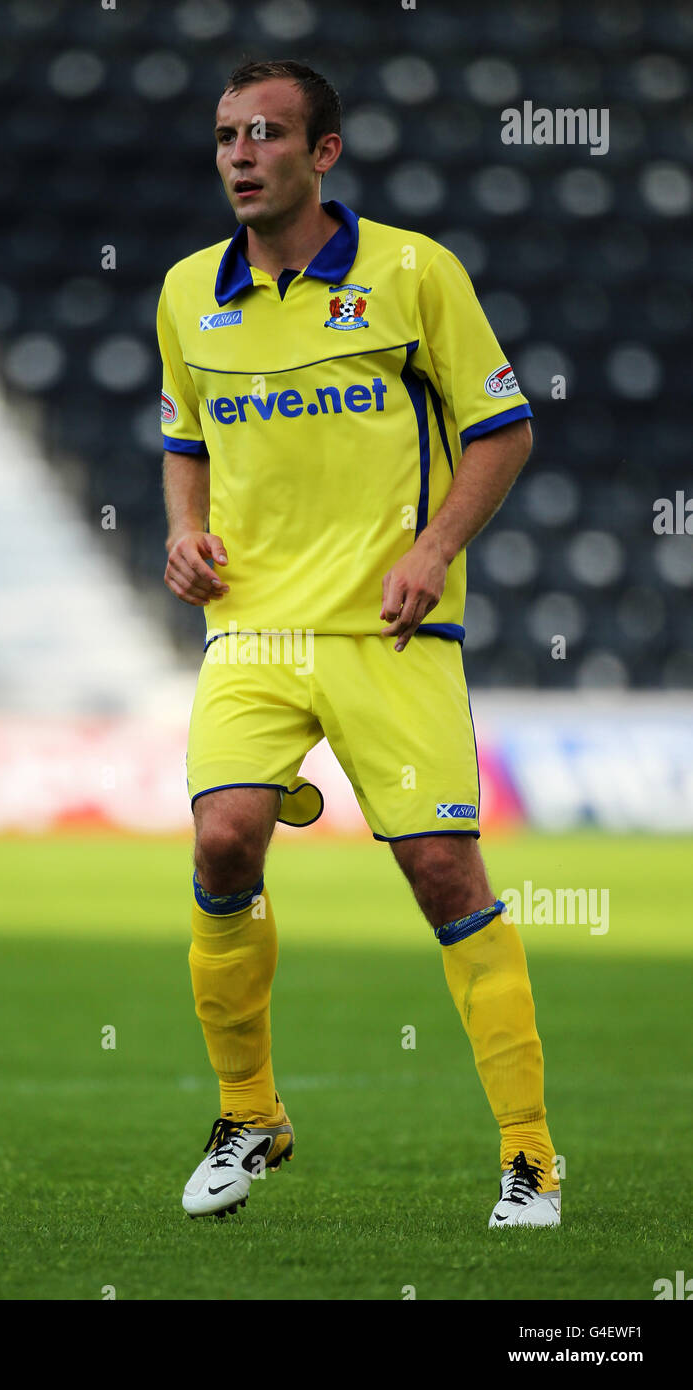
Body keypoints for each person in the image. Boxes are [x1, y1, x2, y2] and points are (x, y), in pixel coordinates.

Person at [156, 59, 559, 1228]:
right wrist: (183, 534)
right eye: (225, 133)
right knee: (223, 839)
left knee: (442, 873)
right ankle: (249, 1115)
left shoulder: (411, 271)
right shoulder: (187, 290)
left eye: (265, 133)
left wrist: (430, 549)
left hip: (394, 628)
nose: (239, 153)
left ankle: (527, 1155)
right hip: (252, 630)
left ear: (321, 153)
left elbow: (500, 428)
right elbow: (184, 435)